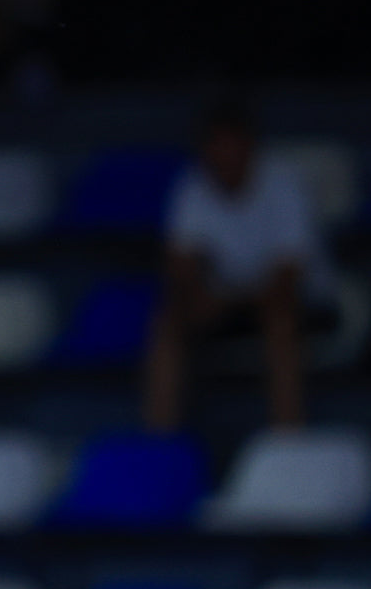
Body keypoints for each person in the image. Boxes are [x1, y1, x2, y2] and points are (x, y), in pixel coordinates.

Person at [143, 100, 335, 432]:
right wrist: (198, 294)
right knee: (168, 322)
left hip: (302, 304)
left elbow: (287, 277)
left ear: (250, 144)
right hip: (229, 306)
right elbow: (181, 268)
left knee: (280, 320)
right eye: (216, 145)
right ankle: (158, 445)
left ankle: (288, 440)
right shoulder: (192, 187)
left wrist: (224, 300)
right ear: (205, 150)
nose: (225, 155)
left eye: (232, 144)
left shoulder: (283, 184)